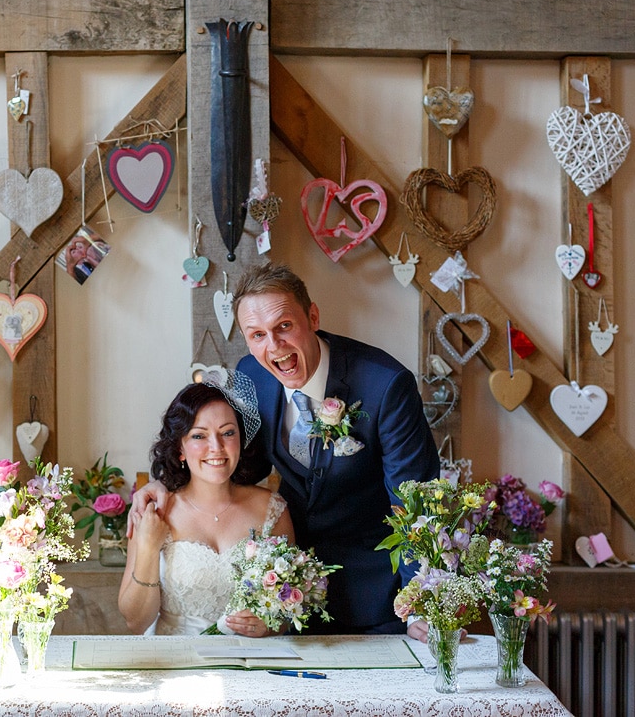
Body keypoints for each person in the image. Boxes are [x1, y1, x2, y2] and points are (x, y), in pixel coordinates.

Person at [131, 262, 438, 637]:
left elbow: (415, 503)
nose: (273, 346)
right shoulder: (252, 376)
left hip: (378, 597)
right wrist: (162, 486)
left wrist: (420, 601)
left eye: (284, 327)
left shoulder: (385, 386)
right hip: (284, 597)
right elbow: (230, 460)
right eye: (257, 334)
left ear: (312, 316)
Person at [118, 382, 294, 636]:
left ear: (241, 440)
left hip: (251, 660)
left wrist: (271, 624)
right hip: (178, 660)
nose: (217, 447)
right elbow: (136, 622)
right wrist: (147, 548)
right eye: (199, 436)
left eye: (228, 433)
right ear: (180, 448)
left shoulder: (271, 509)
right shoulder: (154, 511)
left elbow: (290, 609)